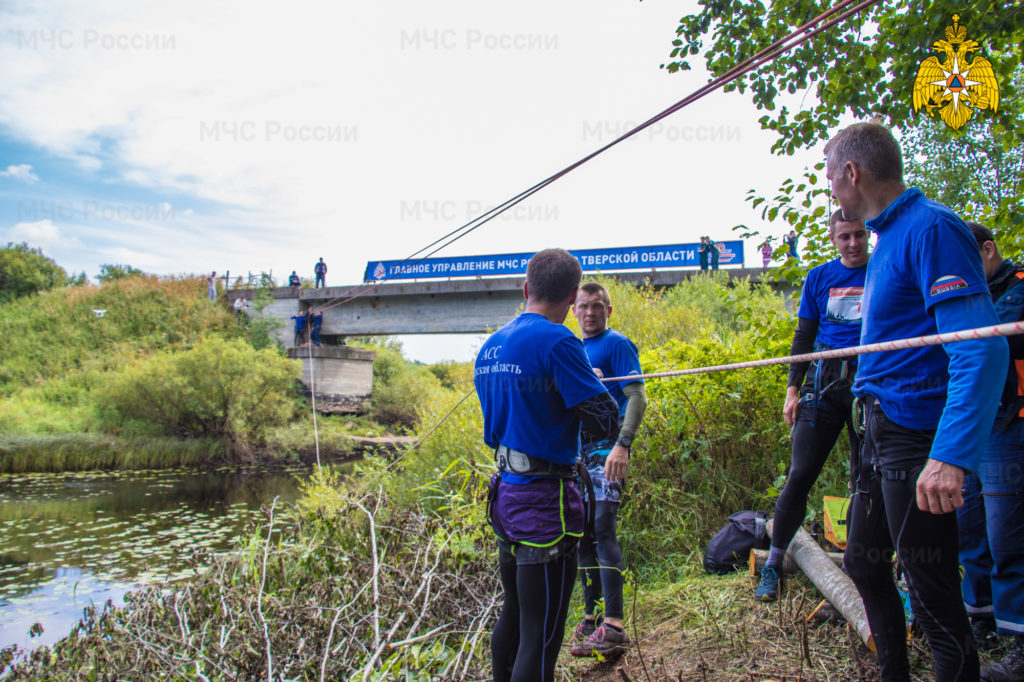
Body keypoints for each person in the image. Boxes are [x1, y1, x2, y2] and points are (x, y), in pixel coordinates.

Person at [826, 122, 1007, 682]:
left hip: (916, 436)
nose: (830, 186)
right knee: (862, 560)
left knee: (930, 594)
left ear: (852, 173)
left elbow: (982, 349)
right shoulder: (888, 239)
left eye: (831, 174)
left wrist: (950, 456)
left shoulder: (933, 229)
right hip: (881, 431)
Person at [475, 248, 620, 682]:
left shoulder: (490, 346)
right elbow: (605, 419)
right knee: (542, 634)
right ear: (573, 296)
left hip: (506, 495)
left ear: (526, 288)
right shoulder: (559, 342)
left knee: (516, 614)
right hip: (545, 503)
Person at [754, 210, 869, 602]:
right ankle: (773, 563)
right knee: (800, 473)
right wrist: (792, 389)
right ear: (834, 239)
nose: (853, 244)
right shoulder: (819, 277)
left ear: (867, 234)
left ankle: (861, 565)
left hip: (869, 383)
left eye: (859, 235)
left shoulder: (884, 270)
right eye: (845, 237)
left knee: (864, 478)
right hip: (824, 382)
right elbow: (803, 336)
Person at [957, 222, 1024, 681]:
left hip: (1009, 425)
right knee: (969, 527)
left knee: (1008, 538)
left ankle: (1020, 643)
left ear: (988, 249)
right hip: (972, 426)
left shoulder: (1018, 289)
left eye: (967, 259)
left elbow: (993, 340)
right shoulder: (971, 297)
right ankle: (981, 619)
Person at [568, 282, 648, 658]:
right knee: (582, 533)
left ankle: (614, 624)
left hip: (607, 450)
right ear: (574, 310)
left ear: (608, 310)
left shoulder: (616, 344)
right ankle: (591, 617)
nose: (589, 312)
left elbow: (636, 396)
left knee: (603, 527)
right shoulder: (575, 349)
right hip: (579, 455)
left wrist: (623, 444)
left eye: (597, 306)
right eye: (583, 306)